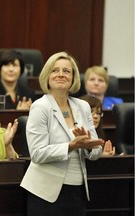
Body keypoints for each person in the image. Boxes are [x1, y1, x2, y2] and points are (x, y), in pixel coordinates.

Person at [20, 51, 104, 216]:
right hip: (45, 193)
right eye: (55, 70)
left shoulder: (83, 106)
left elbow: (95, 152)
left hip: (77, 191)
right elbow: (37, 154)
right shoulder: (40, 107)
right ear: (47, 76)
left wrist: (87, 147)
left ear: (73, 77)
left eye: (66, 71)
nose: (61, 75)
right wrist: (71, 146)